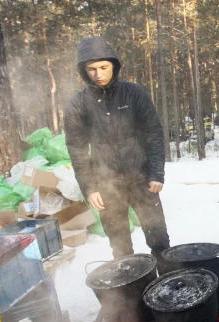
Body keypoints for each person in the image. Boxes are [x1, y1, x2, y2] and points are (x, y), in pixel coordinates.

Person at [65, 36, 170, 266]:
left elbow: (153, 132)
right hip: (106, 185)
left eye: (104, 67)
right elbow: (77, 148)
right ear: (83, 70)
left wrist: (156, 173)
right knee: (120, 248)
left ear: (114, 64)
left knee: (159, 239)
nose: (98, 74)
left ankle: (168, 284)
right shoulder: (78, 103)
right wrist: (90, 188)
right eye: (91, 69)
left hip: (141, 178)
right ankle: (129, 297)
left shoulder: (134, 93)